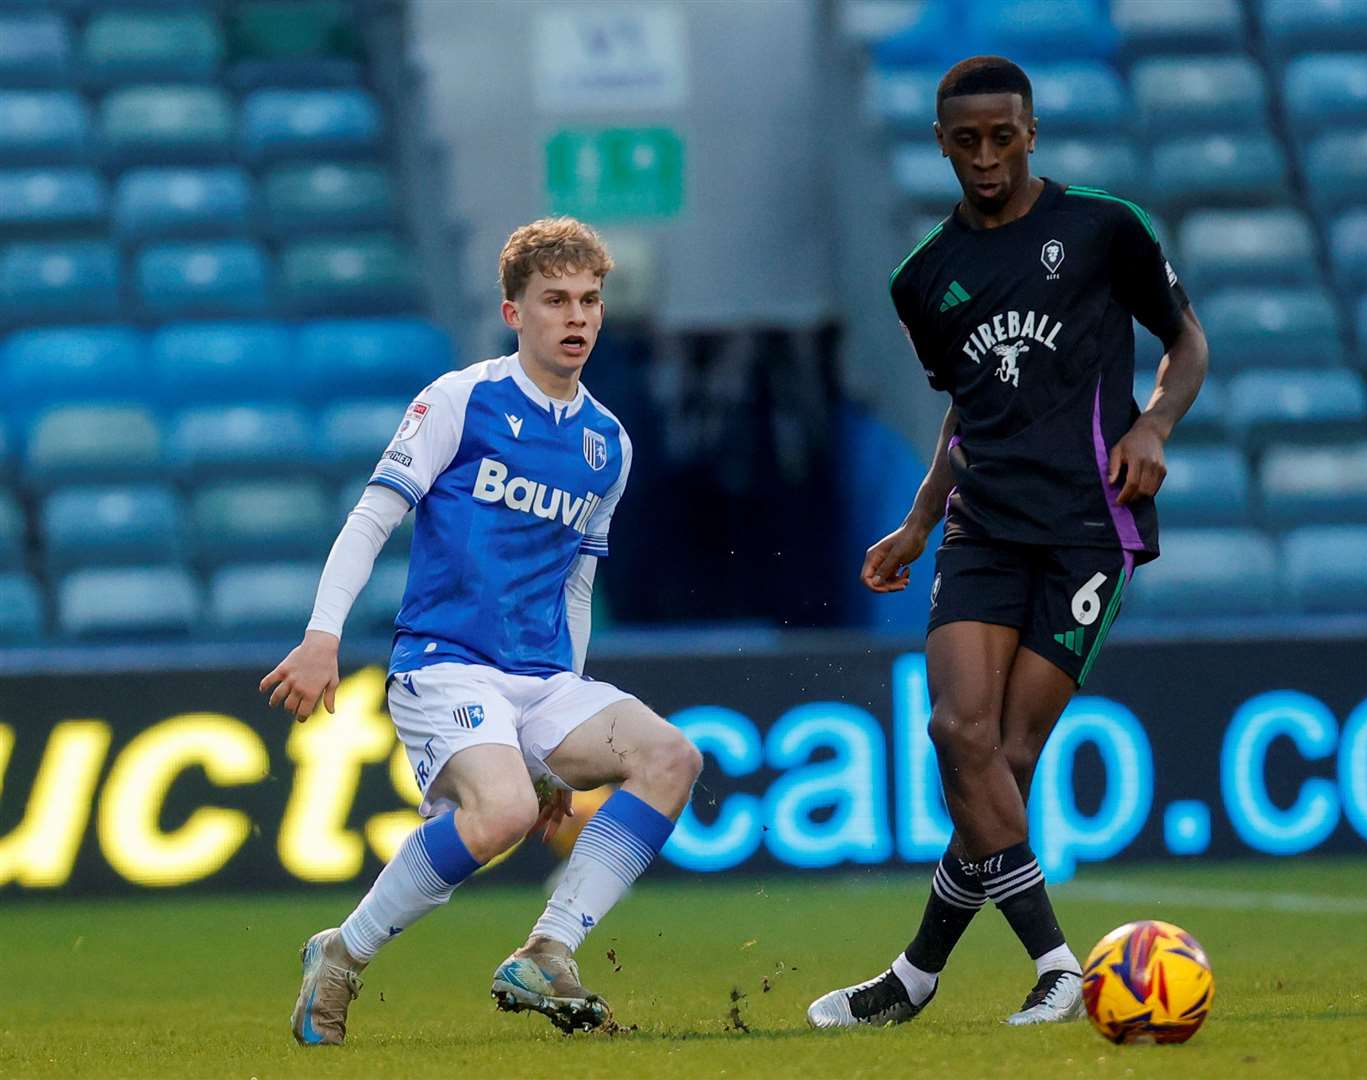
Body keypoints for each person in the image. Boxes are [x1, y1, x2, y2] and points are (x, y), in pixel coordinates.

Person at [807, 56, 1208, 1029]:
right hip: (981, 525)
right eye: (966, 141)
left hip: (1087, 528)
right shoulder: (924, 281)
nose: (986, 158)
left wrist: (1153, 426)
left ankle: (912, 978)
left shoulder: (1104, 229)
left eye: (1003, 137)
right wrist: (916, 519)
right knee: (959, 735)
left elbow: (1187, 343)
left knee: (1008, 763)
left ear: (1030, 133)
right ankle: (1060, 966)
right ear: (942, 143)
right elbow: (969, 414)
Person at [263, 217, 703, 1045]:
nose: (576, 318)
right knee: (500, 814)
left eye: (589, 301)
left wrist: (561, 726)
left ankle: (549, 949)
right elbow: (371, 518)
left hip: (541, 677)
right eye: (555, 301)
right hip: (444, 663)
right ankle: (343, 954)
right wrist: (323, 636)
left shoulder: (607, 442)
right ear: (514, 312)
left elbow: (579, 581)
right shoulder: (460, 399)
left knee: (671, 757)